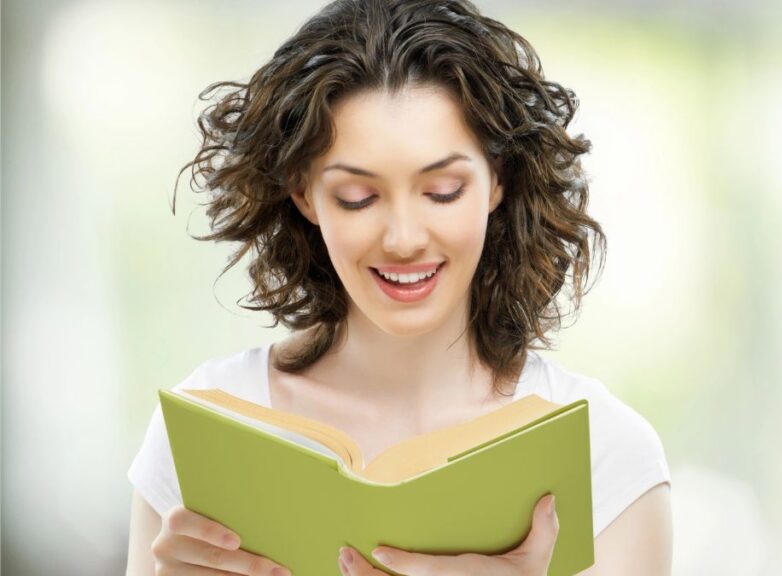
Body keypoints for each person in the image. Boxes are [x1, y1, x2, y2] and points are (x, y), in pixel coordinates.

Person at [125, 0, 673, 574]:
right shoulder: (203, 440)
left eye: (442, 191)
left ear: (497, 182)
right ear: (303, 194)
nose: (404, 239)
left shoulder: (608, 454)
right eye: (357, 198)